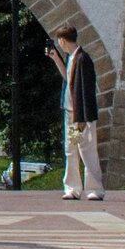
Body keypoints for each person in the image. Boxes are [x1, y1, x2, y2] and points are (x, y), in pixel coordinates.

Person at [48, 25, 104, 201]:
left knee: (87, 151)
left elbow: (86, 90)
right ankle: (73, 188)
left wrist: (82, 118)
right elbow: (69, 79)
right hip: (71, 114)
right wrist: (56, 59)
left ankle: (95, 188)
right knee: (71, 150)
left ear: (63, 41)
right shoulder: (72, 57)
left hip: (80, 116)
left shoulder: (83, 59)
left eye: (59, 42)